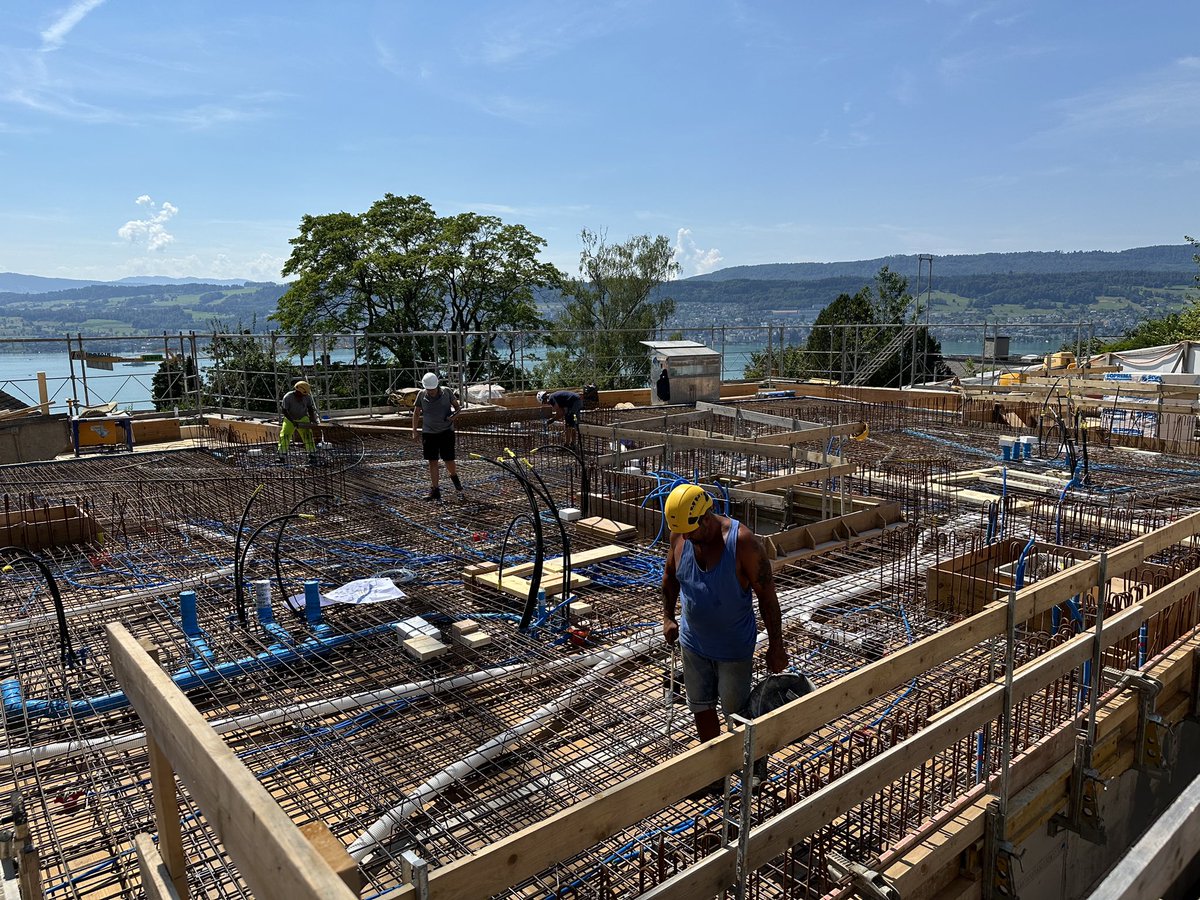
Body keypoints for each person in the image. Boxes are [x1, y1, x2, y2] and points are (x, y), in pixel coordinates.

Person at [661, 483, 787, 793]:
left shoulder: (743, 543)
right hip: (694, 645)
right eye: (683, 533)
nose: (688, 538)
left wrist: (776, 645)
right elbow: (668, 578)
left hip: (733, 650)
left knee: (738, 714)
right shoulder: (681, 535)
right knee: (700, 707)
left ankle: (752, 766)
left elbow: (768, 598)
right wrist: (667, 616)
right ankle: (715, 772)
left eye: (692, 530)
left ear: (707, 516)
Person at [412, 372, 464, 503]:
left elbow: (458, 408)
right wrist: (414, 431)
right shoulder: (422, 395)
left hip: (446, 432)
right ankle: (435, 489)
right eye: (428, 389)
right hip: (429, 433)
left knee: (449, 460)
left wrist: (453, 416)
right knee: (432, 461)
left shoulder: (447, 392)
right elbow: (416, 413)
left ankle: (454, 478)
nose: (430, 392)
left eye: (432, 389)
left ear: (437, 386)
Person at [278, 380, 319, 464]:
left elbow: (310, 408)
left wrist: (312, 419)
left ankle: (312, 455)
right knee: (285, 435)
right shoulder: (288, 397)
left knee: (307, 435)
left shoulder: (307, 397)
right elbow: (284, 411)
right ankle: (281, 456)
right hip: (290, 418)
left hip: (303, 417)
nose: (303, 396)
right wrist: (293, 421)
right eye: (302, 394)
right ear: (298, 390)